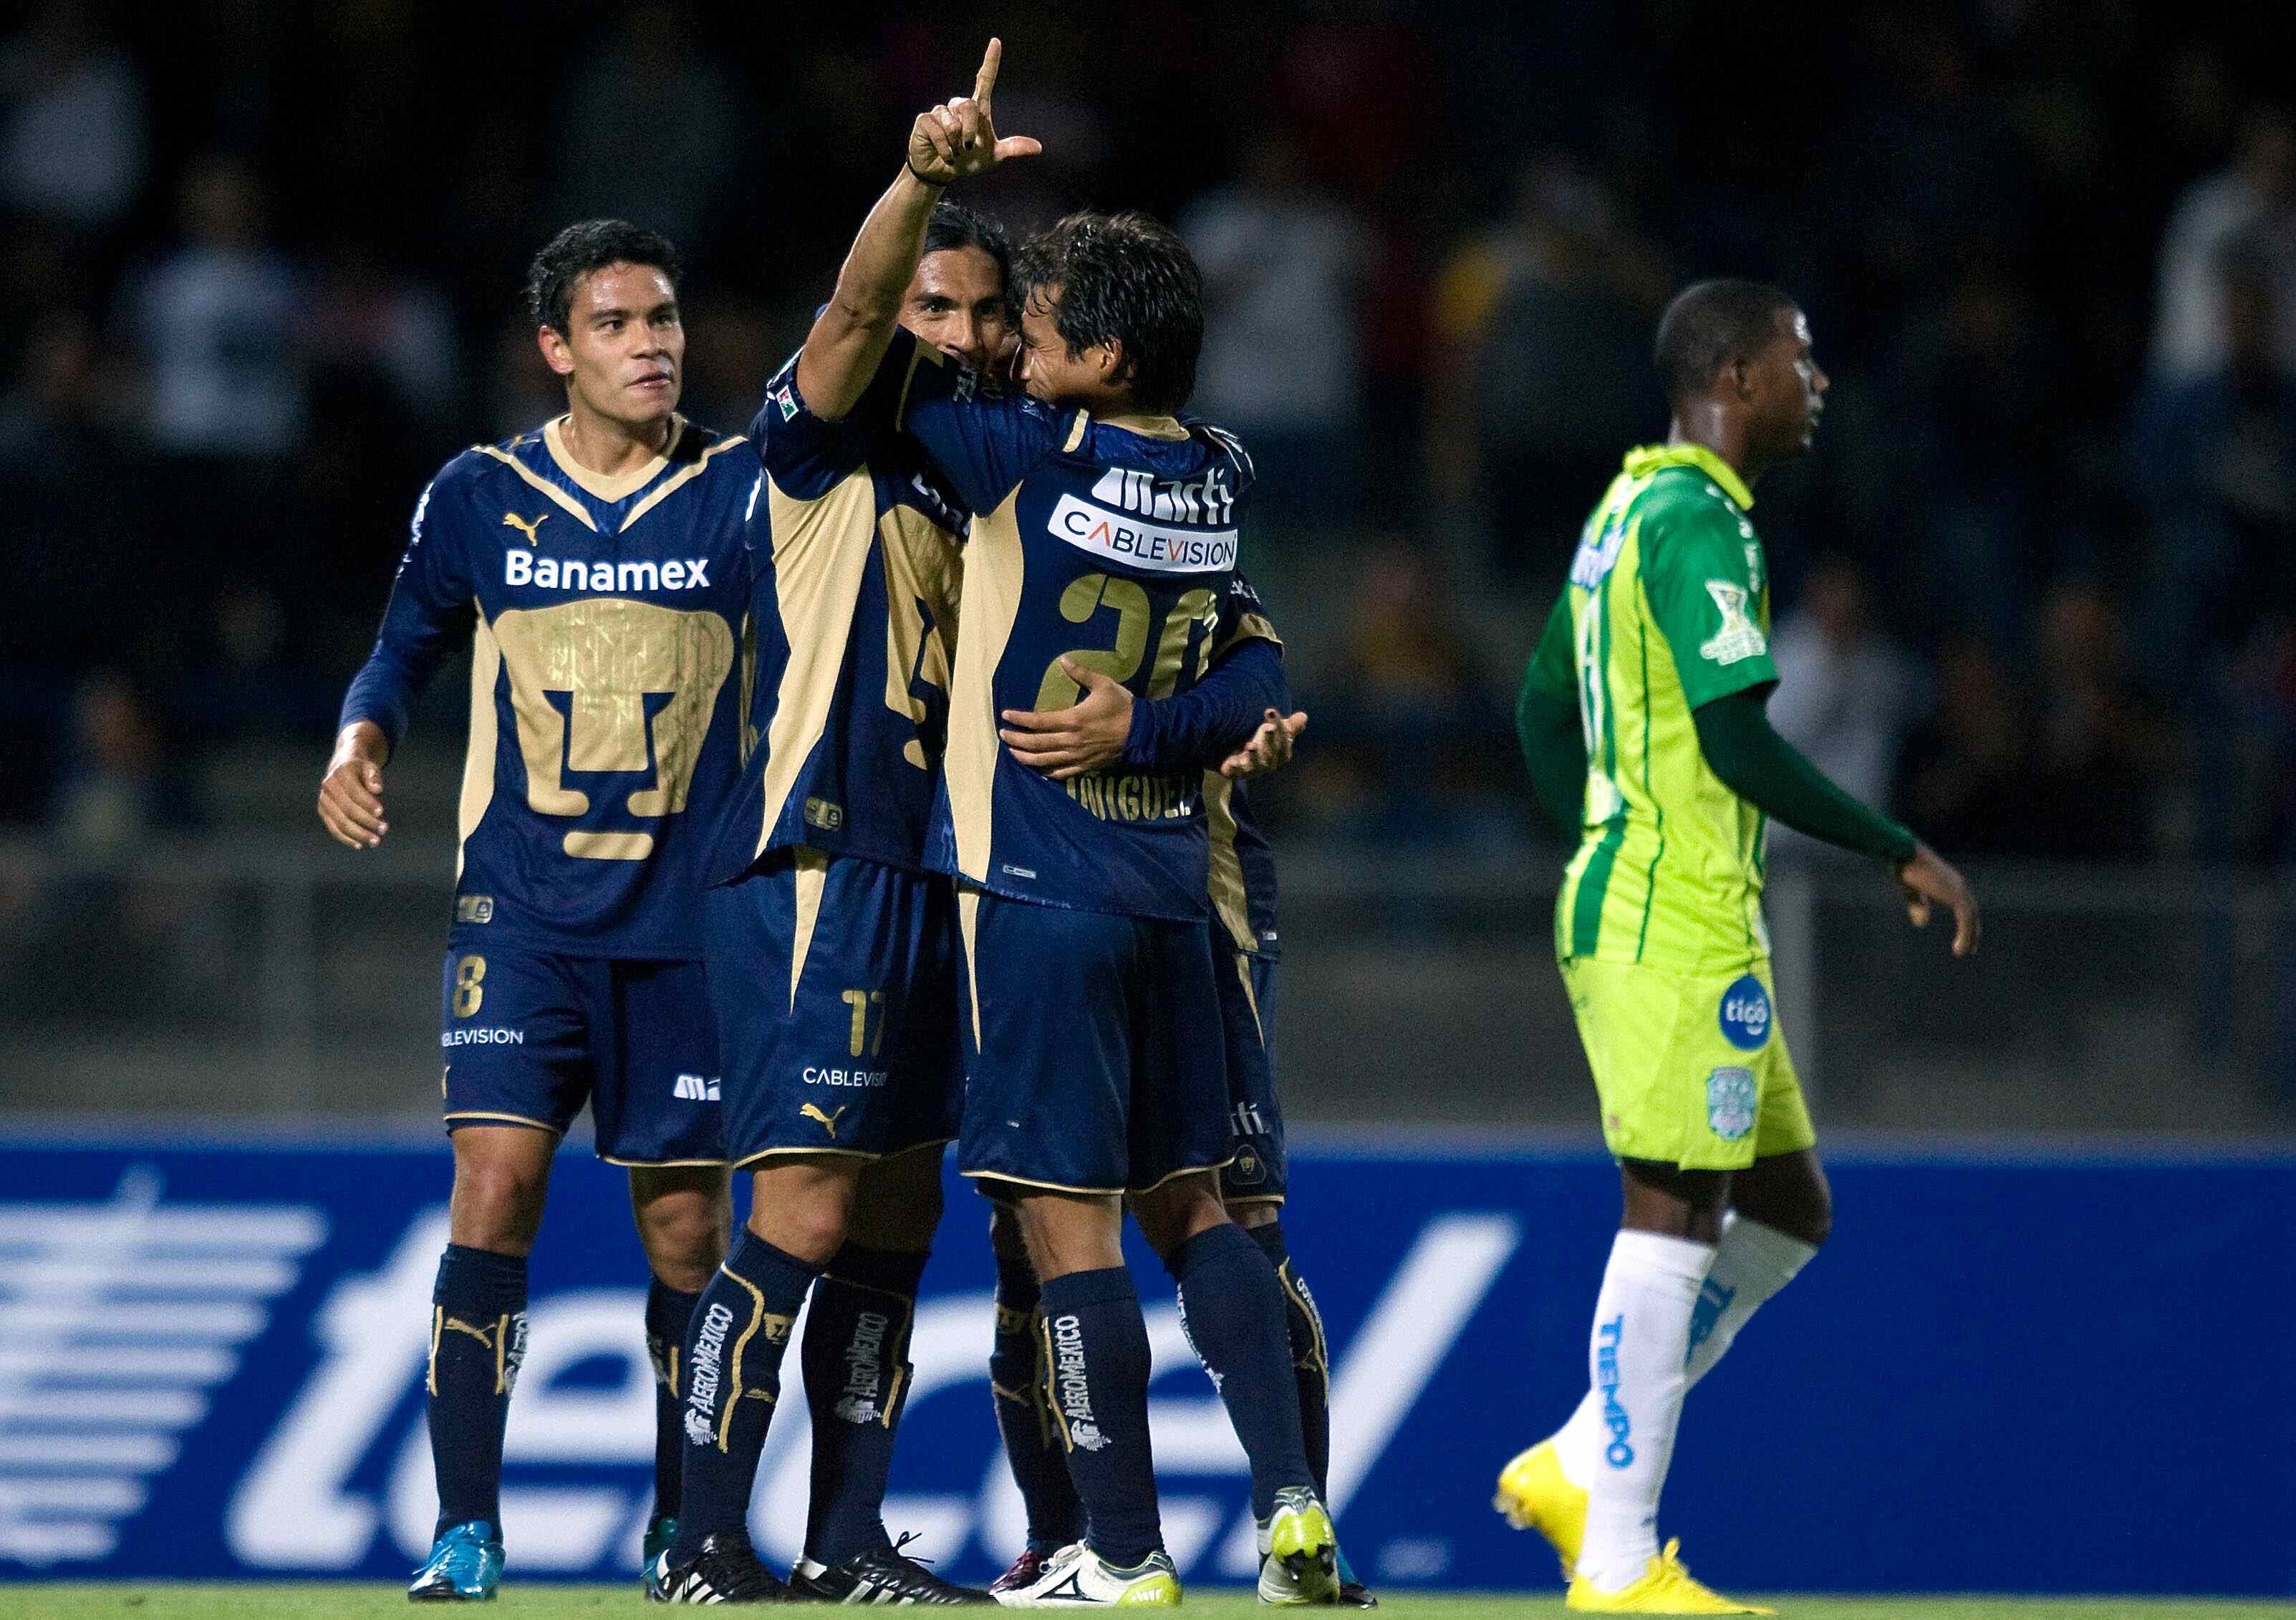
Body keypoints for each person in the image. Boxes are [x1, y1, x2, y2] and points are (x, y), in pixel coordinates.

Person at [1501, 280, 1979, 1614]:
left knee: (1786, 1208)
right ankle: (1615, 1562)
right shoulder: (1696, 520)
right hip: (1675, 917)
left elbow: (1541, 706)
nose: (1815, 381)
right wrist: (1894, 843)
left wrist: (1603, 835)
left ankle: (1579, 1454)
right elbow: (1733, 738)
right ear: (1735, 374)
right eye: (1799, 357)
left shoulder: (1622, 513)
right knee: (1671, 1209)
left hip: (1674, 907)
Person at [318, 220, 753, 1603]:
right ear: (557, 349)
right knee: (494, 1185)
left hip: (689, 923)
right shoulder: (478, 493)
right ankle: (465, 1527)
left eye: (663, 318)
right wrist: (359, 739)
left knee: (684, 1233)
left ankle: (683, 1527)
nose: (650, 345)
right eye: (616, 324)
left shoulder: (744, 490)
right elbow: (402, 649)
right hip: (522, 913)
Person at [647, 192, 1020, 1606]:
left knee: (899, 1212)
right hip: (820, 861)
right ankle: (696, 1543)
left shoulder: (978, 477)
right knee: (798, 1211)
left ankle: (846, 1540)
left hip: (933, 873)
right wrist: (916, 185)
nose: (961, 335)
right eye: (936, 306)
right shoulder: (815, 446)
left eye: (984, 310)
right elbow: (856, 311)